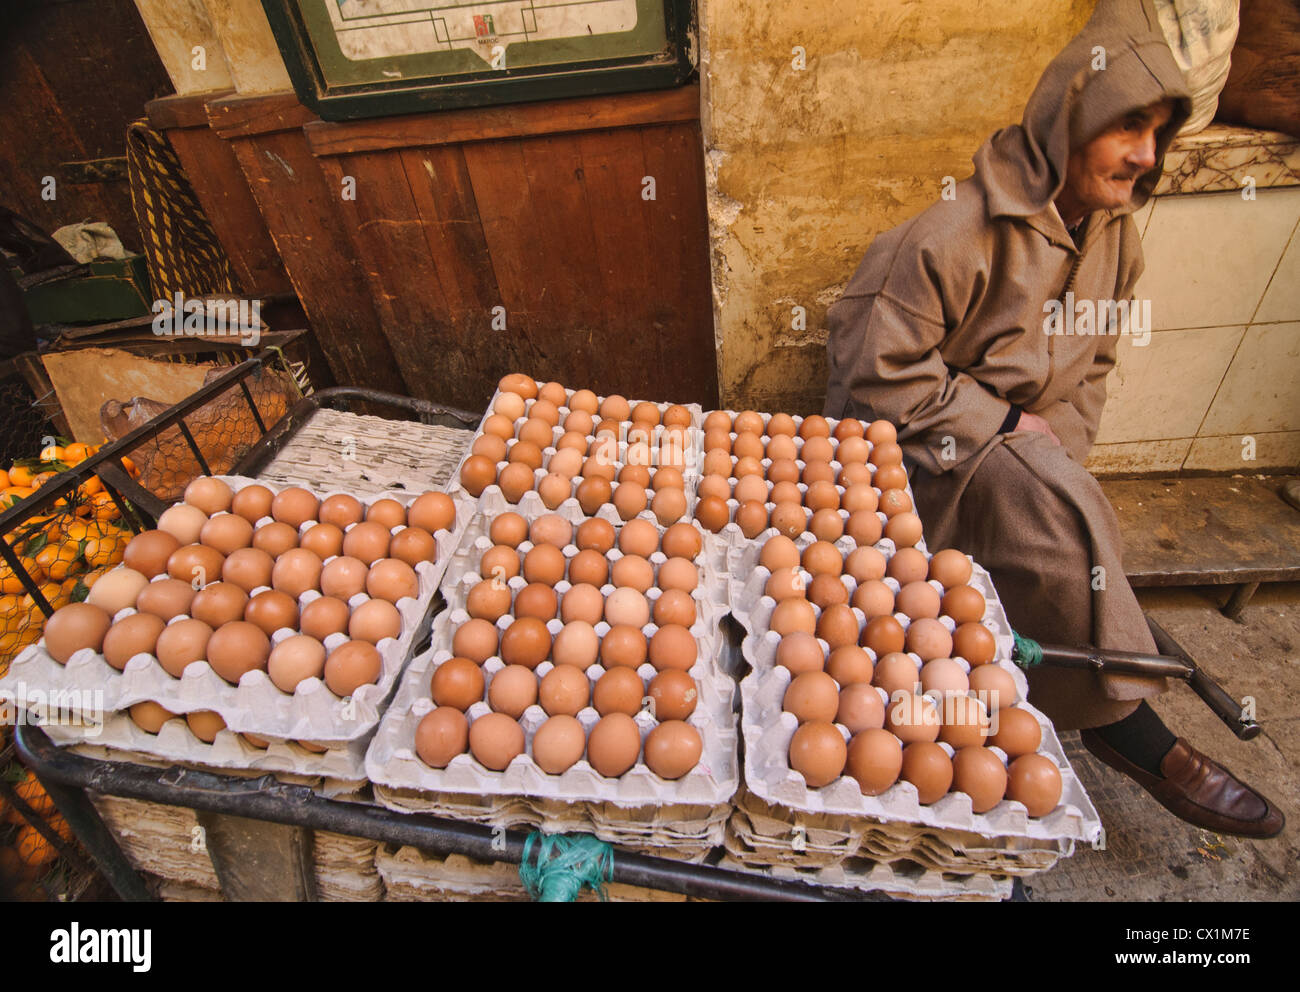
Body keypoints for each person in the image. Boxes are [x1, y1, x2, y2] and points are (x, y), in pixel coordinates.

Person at [824, 0, 1283, 837]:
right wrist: (1002, 431)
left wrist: (1052, 453)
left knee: (1061, 507)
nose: (1144, 155)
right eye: (1128, 128)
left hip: (1019, 463)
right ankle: (1129, 731)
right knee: (1051, 512)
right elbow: (870, 383)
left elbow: (1093, 371)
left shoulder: (1114, 239)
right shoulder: (950, 235)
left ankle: (1095, 662)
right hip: (919, 467)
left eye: (1158, 135)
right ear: (1071, 116)